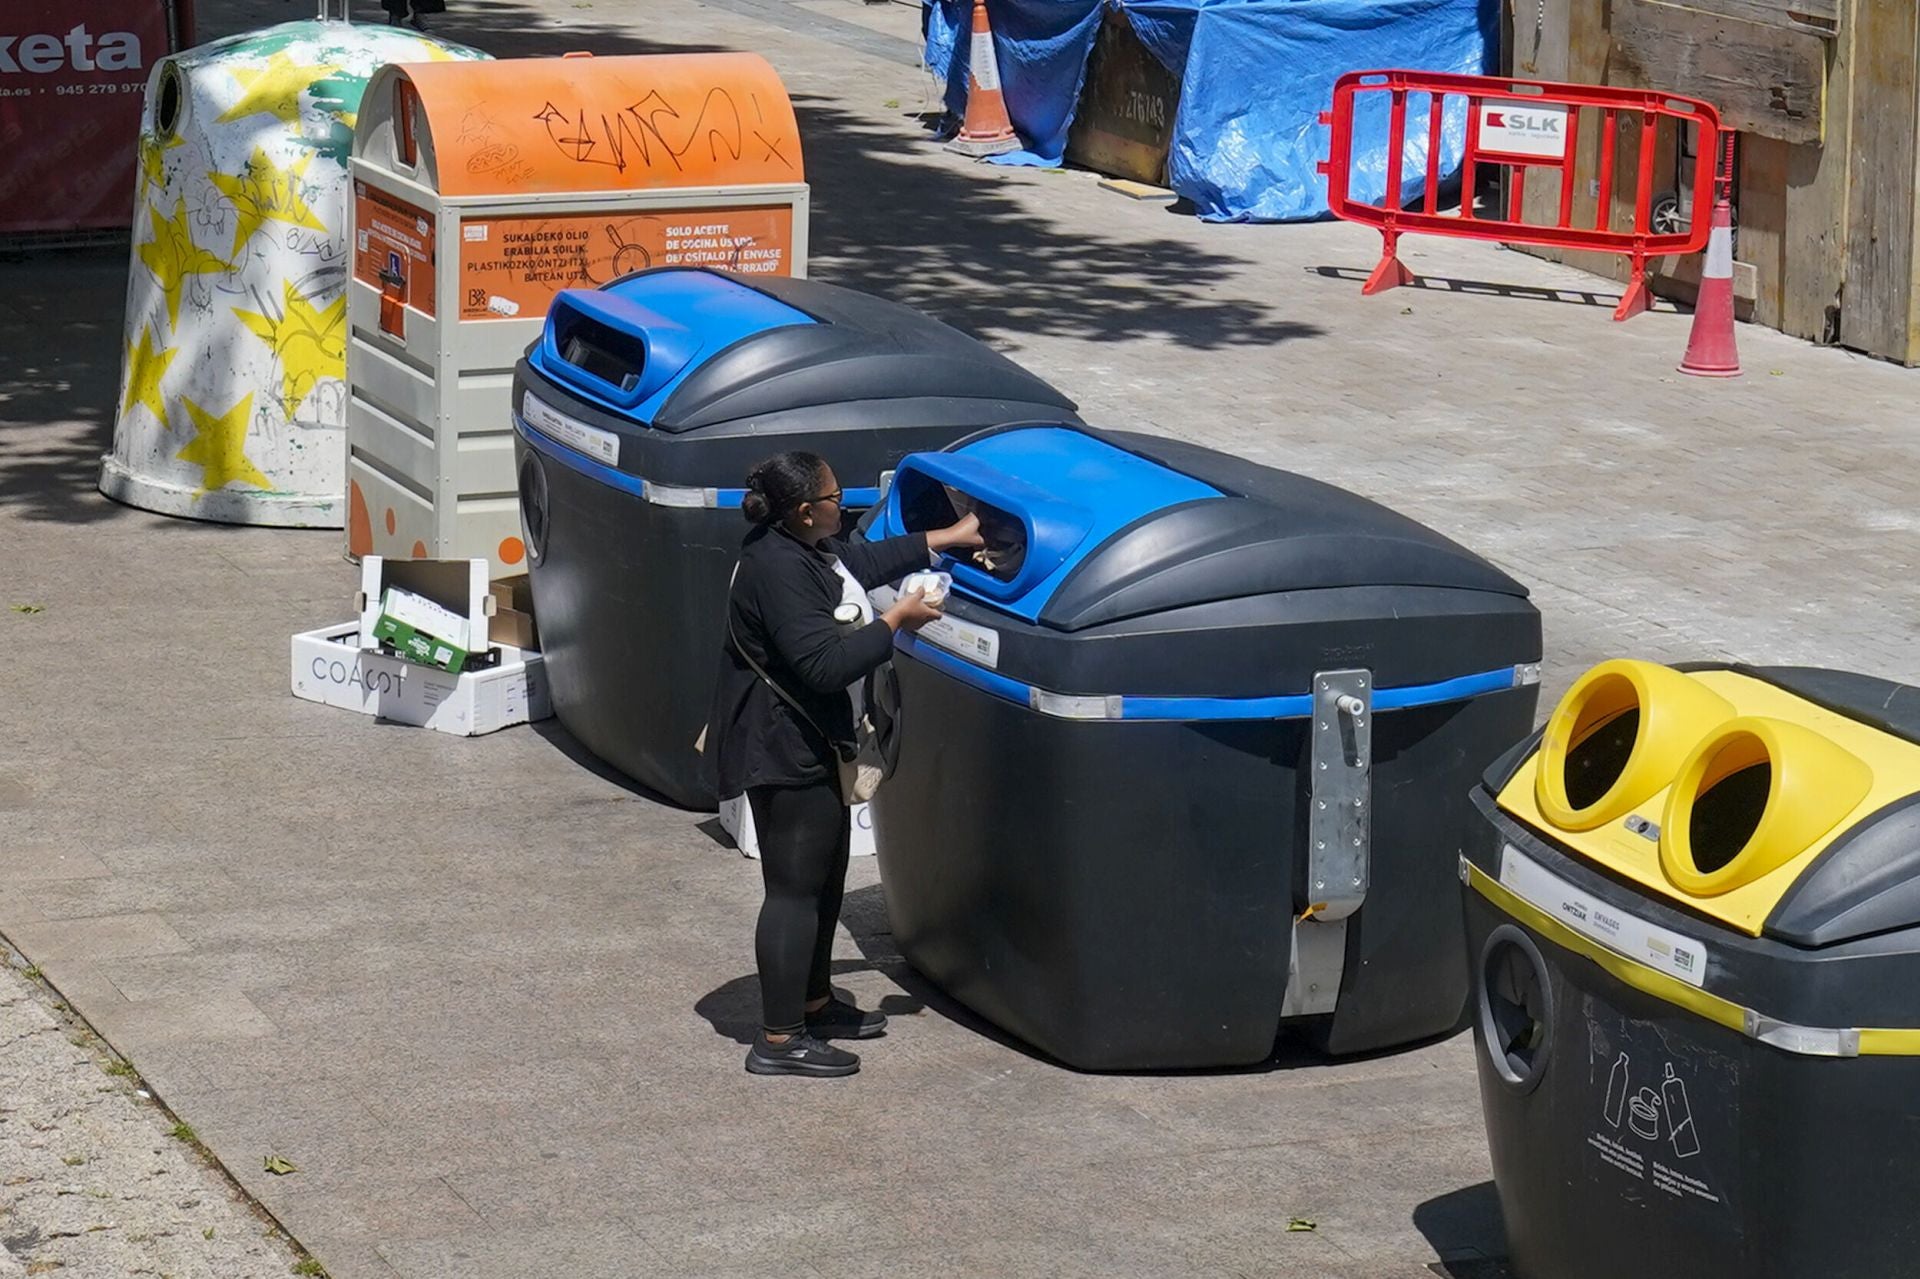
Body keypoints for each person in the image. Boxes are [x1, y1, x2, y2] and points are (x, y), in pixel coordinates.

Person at [709, 451, 982, 1078]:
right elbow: (824, 667)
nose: (844, 507)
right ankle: (778, 1041)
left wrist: (949, 537)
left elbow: (860, 562)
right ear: (806, 511)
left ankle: (813, 1003)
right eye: (835, 499)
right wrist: (898, 620)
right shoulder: (776, 570)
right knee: (794, 892)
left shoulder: (803, 547)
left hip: (809, 739)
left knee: (826, 878)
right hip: (780, 748)